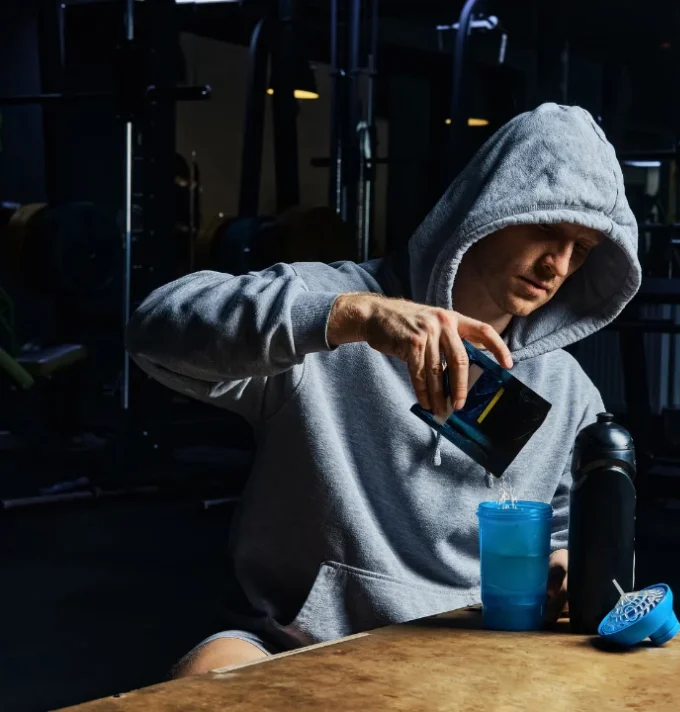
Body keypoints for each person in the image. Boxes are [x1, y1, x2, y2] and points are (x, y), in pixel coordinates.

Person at [126, 103, 641, 676]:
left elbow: (571, 528)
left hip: (478, 650)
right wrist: (354, 318)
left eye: (583, 249)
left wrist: (566, 567)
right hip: (303, 642)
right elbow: (155, 327)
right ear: (493, 205)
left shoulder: (568, 390)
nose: (558, 264)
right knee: (205, 675)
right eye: (548, 227)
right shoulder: (331, 307)